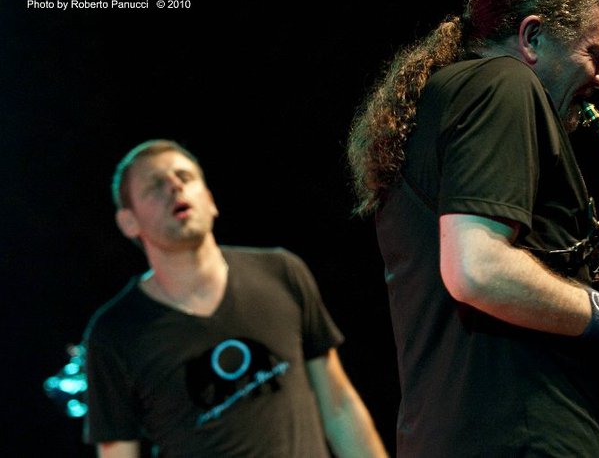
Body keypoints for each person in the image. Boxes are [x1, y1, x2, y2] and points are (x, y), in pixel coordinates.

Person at [346, 0, 599, 456]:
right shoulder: (503, 82)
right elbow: (478, 269)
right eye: (594, 54)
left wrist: (593, 253)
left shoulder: (443, 98)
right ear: (532, 37)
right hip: (522, 435)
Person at [82, 139, 389, 458]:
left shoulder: (281, 271)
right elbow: (118, 452)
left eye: (185, 177)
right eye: (155, 185)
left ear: (210, 200)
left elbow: (338, 406)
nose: (174, 186)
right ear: (129, 222)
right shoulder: (115, 333)